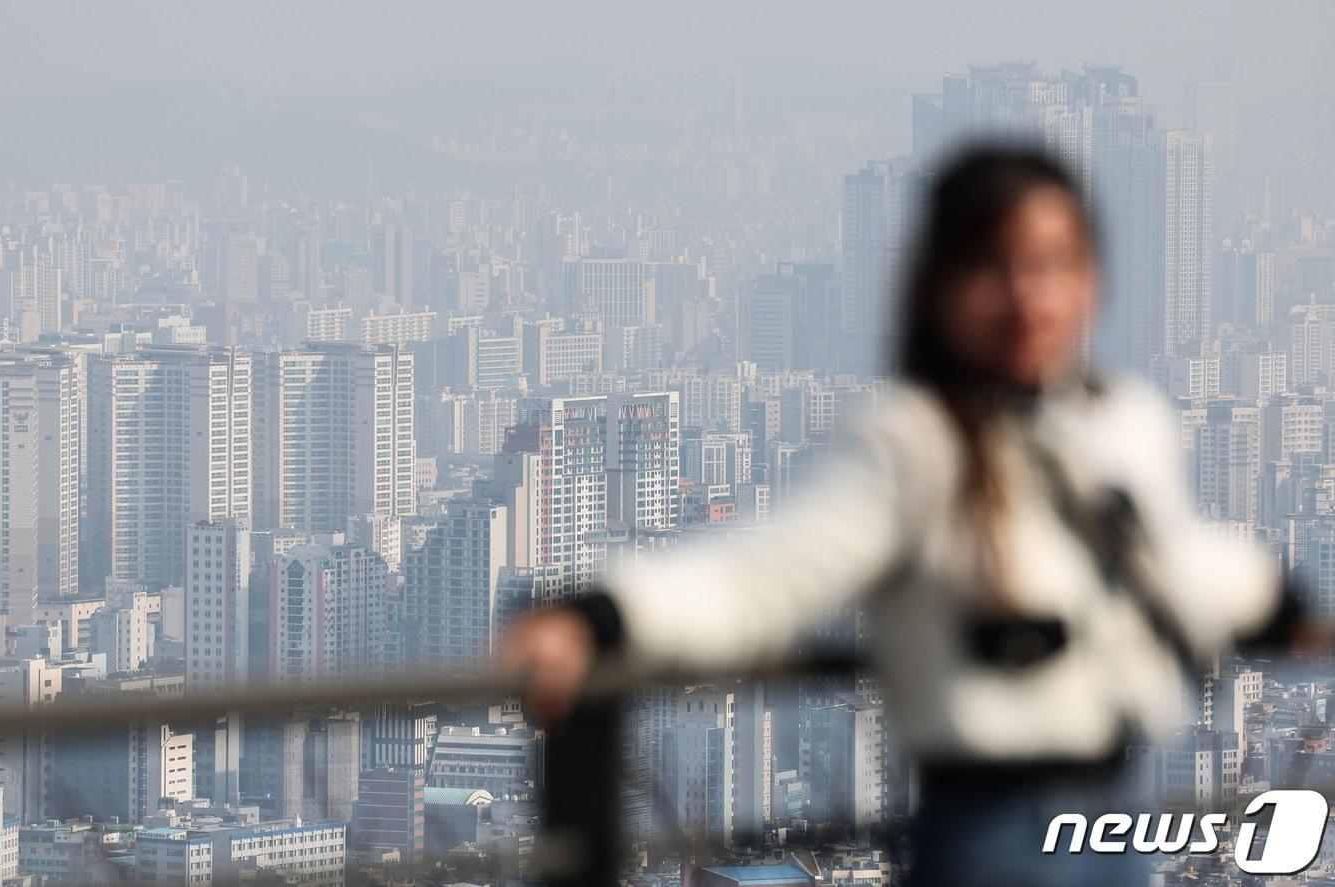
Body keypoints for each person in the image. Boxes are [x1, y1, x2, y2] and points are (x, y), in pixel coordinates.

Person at [502, 147, 1310, 886]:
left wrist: (1282, 603)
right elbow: (766, 573)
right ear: (939, 284)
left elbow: (1177, 561)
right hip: (994, 833)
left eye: (1056, 263)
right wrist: (599, 616)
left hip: (1118, 823)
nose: (1030, 295)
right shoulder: (913, 443)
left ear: (1092, 279)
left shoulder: (1122, 420)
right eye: (996, 265)